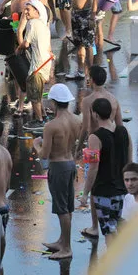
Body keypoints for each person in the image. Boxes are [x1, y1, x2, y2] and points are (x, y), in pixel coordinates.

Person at [33, 83, 80, 260]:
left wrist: (37, 145)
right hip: (70, 163)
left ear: (53, 103)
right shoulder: (77, 120)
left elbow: (45, 155)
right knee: (67, 206)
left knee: (61, 208)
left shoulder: (51, 126)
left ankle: (66, 247)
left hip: (58, 167)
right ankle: (63, 240)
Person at [78, 65, 124, 239]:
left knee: (94, 181)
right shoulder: (113, 99)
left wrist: (77, 148)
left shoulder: (89, 100)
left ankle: (95, 226)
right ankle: (111, 223)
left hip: (95, 144)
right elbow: (120, 125)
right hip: (111, 145)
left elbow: (85, 127)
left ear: (92, 79)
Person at [79, 98, 131, 245]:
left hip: (104, 191)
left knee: (108, 230)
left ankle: (114, 264)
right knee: (117, 225)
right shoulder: (123, 131)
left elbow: (93, 168)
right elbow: (129, 159)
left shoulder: (95, 137)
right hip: (122, 190)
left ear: (95, 114)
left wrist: (85, 193)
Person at [16, 0, 51, 130]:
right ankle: (45, 117)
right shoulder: (43, 25)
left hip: (38, 64)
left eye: (28, 9)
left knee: (34, 95)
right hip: (46, 62)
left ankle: (40, 121)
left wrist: (18, 49)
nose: (25, 12)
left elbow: (26, 43)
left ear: (37, 11)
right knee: (38, 93)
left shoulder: (32, 23)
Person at [67, 0, 97, 80]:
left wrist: (92, 17)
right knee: (78, 44)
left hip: (86, 14)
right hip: (75, 14)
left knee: (88, 44)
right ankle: (80, 71)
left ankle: (90, 71)